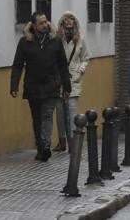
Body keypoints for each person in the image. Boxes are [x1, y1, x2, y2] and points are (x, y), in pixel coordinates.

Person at [10, 11, 72, 161]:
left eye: (46, 22)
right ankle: (40, 147)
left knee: (47, 115)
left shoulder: (55, 40)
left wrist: (66, 86)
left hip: (52, 85)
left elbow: (63, 64)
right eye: (41, 23)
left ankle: (45, 145)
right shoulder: (25, 42)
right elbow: (17, 65)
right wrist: (14, 86)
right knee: (36, 118)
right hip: (33, 86)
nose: (45, 25)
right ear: (34, 26)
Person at [54, 11, 89, 153]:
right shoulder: (57, 40)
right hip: (58, 80)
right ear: (62, 24)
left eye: (71, 22)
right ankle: (62, 142)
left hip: (74, 79)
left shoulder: (81, 40)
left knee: (72, 112)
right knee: (60, 113)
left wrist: (80, 70)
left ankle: (73, 142)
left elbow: (85, 58)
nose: (68, 26)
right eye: (66, 23)